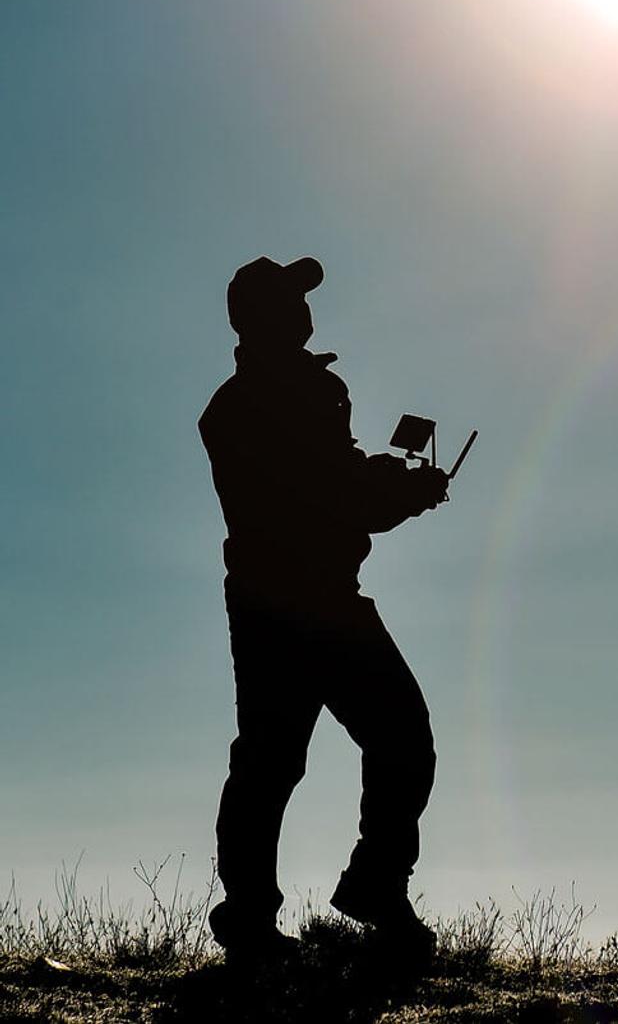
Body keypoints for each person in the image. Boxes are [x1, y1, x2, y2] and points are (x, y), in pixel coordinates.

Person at [198, 255, 450, 962]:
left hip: (289, 597)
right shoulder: (275, 399)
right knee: (357, 744)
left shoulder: (266, 397)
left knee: (283, 759)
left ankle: (279, 910)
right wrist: (404, 491)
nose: (307, 308)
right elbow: (328, 491)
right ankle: (334, 899)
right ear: (268, 315)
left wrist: (389, 487)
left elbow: (332, 480)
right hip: (299, 601)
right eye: (292, 297)